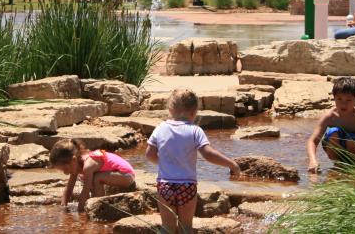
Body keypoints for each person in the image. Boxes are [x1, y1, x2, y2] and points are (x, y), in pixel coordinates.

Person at [145, 89, 240, 233]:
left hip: (165, 185)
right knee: (186, 227)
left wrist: (164, 164)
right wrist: (231, 164)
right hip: (187, 186)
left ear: (170, 109)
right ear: (194, 112)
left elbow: (149, 154)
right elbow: (208, 154)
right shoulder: (195, 131)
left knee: (167, 227)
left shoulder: (160, 128)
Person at [307, 77, 355, 173]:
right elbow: (312, 141)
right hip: (337, 151)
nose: (343, 104)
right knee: (333, 132)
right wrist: (313, 161)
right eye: (339, 99)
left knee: (349, 139)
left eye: (348, 100)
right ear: (334, 97)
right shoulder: (329, 116)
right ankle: (338, 164)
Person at [50, 138, 135, 212]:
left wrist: (80, 212)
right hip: (118, 175)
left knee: (96, 178)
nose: (66, 173)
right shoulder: (75, 166)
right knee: (94, 179)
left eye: (66, 169)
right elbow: (69, 188)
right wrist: (63, 207)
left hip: (126, 175)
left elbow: (85, 191)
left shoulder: (88, 166)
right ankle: (96, 201)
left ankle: (100, 206)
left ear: (74, 160)